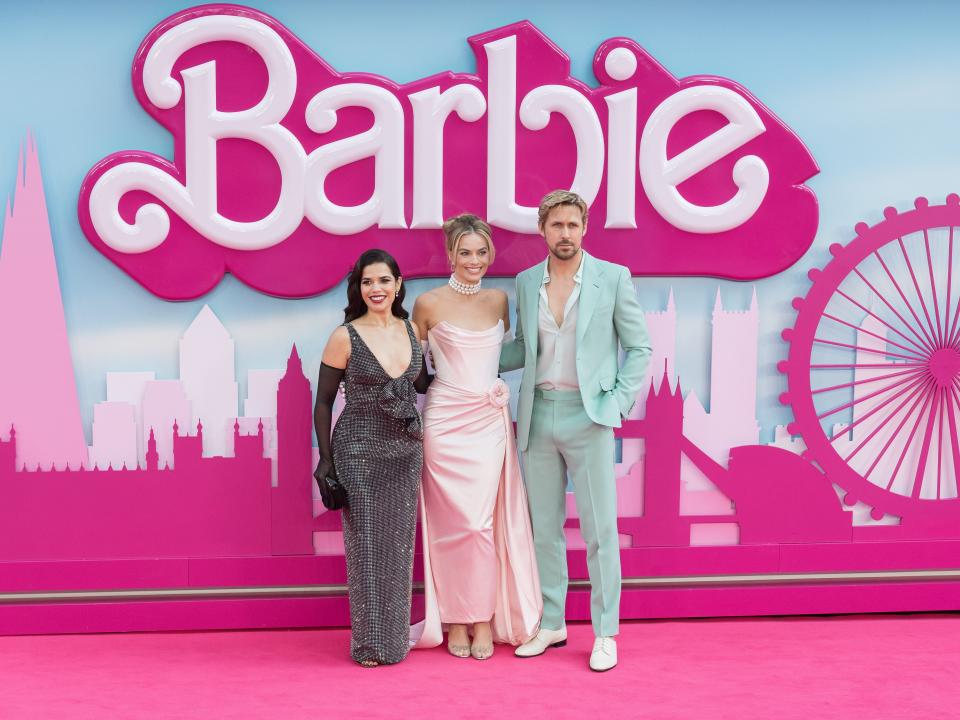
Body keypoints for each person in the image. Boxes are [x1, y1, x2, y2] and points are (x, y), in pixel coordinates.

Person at [500, 190, 652, 672]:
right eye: (556, 225)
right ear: (542, 230)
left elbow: (640, 348)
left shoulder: (613, 278)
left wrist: (616, 404)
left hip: (590, 417)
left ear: (584, 229)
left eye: (573, 225)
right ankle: (552, 622)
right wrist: (457, 352)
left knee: (600, 532)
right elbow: (521, 349)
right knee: (543, 529)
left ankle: (606, 632)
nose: (564, 233)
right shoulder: (526, 283)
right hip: (539, 413)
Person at [411, 214, 541, 660]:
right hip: (445, 423)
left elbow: (501, 358)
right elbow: (412, 370)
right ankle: (452, 620)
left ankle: (482, 617)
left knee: (479, 525)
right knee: (449, 527)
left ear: (490, 256)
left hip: (487, 424)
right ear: (450, 254)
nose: (474, 260)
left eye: (482, 252)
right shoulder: (426, 303)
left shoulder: (499, 301)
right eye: (465, 252)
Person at [313, 249, 429, 668]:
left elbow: (421, 382)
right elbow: (324, 403)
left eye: (383, 280)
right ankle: (368, 645)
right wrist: (326, 463)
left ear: (398, 284)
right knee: (366, 549)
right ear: (358, 288)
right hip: (358, 451)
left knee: (398, 549)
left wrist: (477, 370)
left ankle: (393, 643)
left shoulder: (411, 329)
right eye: (367, 282)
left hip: (405, 451)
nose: (375, 289)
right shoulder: (345, 335)